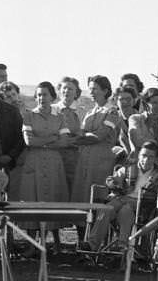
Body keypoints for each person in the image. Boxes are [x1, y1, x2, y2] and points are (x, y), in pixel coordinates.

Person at [10, 81, 70, 205]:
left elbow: (64, 142)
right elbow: (29, 141)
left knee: (54, 195)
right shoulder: (29, 116)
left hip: (54, 162)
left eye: (45, 95)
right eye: (39, 95)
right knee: (32, 197)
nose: (41, 98)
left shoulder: (60, 117)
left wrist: (41, 142)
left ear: (52, 97)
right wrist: (52, 138)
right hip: (34, 161)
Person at [72, 75, 120, 203]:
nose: (91, 92)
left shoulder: (112, 111)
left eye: (95, 89)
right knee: (82, 192)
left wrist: (81, 137)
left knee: (97, 193)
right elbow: (81, 133)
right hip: (85, 158)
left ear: (105, 91)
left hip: (102, 159)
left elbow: (100, 135)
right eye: (90, 89)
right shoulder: (90, 113)